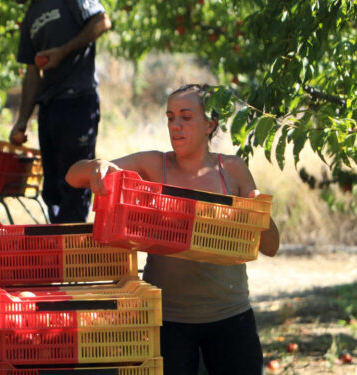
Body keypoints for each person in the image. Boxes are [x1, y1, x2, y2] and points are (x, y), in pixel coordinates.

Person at [65, 84, 281, 375]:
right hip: (168, 320)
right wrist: (98, 166)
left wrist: (259, 213)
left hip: (230, 317)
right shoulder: (155, 166)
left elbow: (271, 246)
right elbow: (72, 175)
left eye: (186, 117)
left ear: (210, 124)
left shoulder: (232, 170)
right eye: (170, 117)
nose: (175, 125)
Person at [9, 0, 111, 223]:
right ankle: (59, 246)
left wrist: (63, 52)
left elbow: (102, 21)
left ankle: (73, 250)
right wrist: (22, 121)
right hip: (50, 106)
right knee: (53, 191)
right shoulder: (30, 16)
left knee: (75, 188)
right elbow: (32, 72)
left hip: (78, 101)